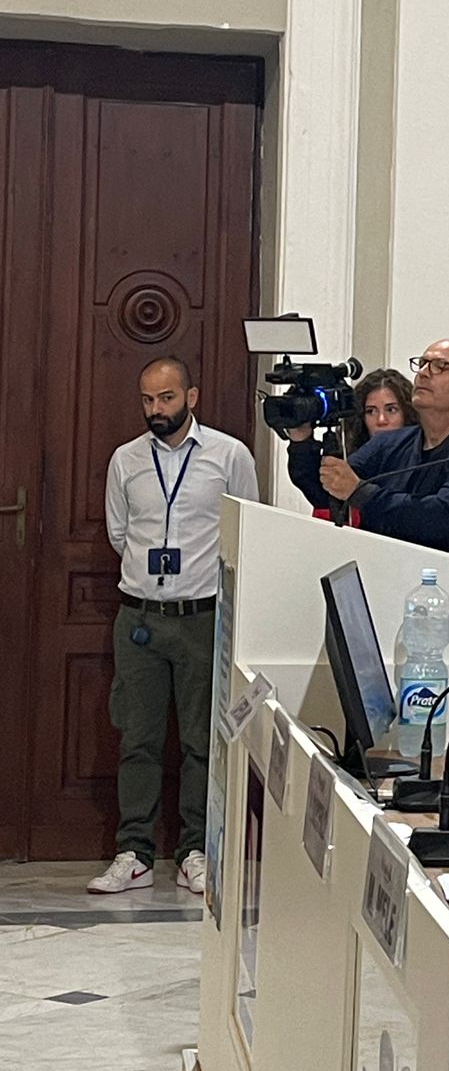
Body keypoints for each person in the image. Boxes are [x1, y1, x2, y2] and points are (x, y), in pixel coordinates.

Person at [91, 356, 259, 896]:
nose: (155, 409)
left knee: (200, 741)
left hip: (201, 617)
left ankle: (194, 851)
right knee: (137, 739)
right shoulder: (126, 460)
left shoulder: (229, 456)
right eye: (147, 399)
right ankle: (133, 852)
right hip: (140, 617)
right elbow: (120, 534)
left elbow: (246, 528)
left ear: (192, 396)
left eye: (166, 398)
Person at [285, 339, 449, 564]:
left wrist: (359, 492)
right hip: (382, 575)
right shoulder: (389, 443)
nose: (423, 373)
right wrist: (301, 438)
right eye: (422, 364)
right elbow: (328, 491)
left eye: (440, 366)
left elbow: (437, 518)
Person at [309, 367, 417, 526]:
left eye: (391, 410)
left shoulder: (423, 463)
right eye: (371, 411)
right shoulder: (348, 464)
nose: (381, 420)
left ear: (407, 413)